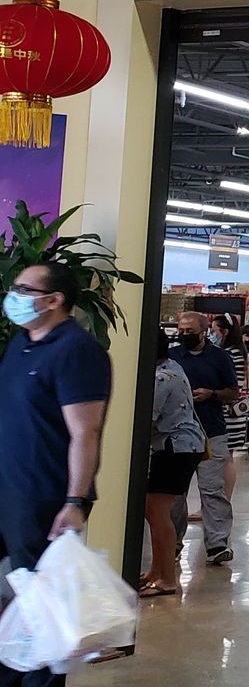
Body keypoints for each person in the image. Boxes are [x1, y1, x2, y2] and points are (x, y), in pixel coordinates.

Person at [0, 262, 110, 687]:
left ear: (54, 299)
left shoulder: (77, 350)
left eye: (23, 289)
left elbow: (86, 431)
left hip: (42, 497)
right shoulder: (21, 344)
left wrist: (75, 501)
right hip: (8, 489)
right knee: (17, 600)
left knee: (44, 605)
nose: (13, 294)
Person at [166, 311, 238, 565]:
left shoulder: (220, 358)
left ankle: (218, 544)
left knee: (212, 490)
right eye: (181, 330)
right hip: (176, 433)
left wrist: (212, 394)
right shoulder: (172, 356)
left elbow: (233, 392)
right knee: (174, 493)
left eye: (190, 331)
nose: (184, 335)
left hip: (211, 432)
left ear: (204, 331)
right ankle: (171, 544)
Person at [142, 329, 205, 598]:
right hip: (180, 446)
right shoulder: (171, 365)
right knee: (153, 511)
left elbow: (147, 417)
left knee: (158, 513)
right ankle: (157, 571)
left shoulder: (160, 378)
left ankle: (168, 579)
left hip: (176, 448)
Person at [211, 313, 249, 497]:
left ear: (224, 332)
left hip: (226, 411)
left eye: (214, 331)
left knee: (222, 459)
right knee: (227, 458)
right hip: (236, 411)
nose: (212, 335)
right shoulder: (240, 350)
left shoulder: (227, 353)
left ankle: (220, 501)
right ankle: (223, 501)